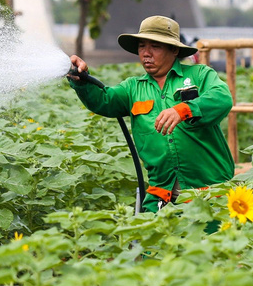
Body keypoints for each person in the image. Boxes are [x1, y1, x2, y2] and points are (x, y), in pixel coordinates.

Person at [68, 15, 235, 212]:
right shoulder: (133, 88)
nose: (146, 54)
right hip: (160, 195)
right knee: (151, 240)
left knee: (214, 242)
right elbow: (105, 101)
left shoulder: (199, 75)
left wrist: (183, 110)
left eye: (155, 46)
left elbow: (222, 97)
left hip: (209, 193)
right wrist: (81, 81)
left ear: (174, 49)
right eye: (141, 46)